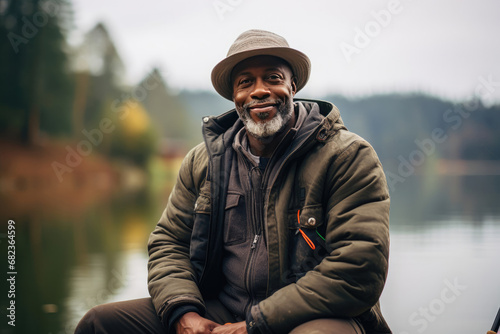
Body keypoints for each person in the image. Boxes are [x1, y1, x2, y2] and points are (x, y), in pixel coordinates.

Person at [76, 29, 391, 334]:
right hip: (224, 312)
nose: (258, 90)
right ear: (235, 96)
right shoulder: (203, 163)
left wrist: (257, 324)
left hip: (313, 317)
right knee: (99, 324)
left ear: (292, 86)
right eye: (245, 82)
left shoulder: (347, 156)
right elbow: (168, 243)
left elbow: (359, 267)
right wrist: (184, 312)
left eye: (272, 78)